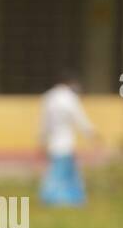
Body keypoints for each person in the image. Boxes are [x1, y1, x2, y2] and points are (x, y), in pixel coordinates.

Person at [38, 69, 97, 206]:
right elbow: (79, 118)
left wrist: (41, 140)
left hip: (54, 142)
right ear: (69, 83)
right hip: (65, 142)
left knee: (68, 172)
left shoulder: (49, 98)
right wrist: (91, 133)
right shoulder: (69, 98)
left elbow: (44, 123)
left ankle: (75, 199)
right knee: (59, 173)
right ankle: (51, 198)